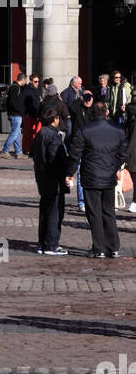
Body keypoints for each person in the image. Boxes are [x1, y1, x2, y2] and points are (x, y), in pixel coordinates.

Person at [67, 101, 127, 258]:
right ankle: (113, 247)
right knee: (109, 212)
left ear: (92, 113)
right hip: (108, 177)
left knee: (94, 213)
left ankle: (99, 248)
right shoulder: (118, 131)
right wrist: (115, 167)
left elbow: (75, 154)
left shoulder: (85, 130)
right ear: (106, 112)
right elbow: (123, 153)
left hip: (91, 177)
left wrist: (69, 172)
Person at [33, 106, 69, 255]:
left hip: (43, 177)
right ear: (54, 120)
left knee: (45, 211)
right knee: (55, 212)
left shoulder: (41, 133)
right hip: (53, 180)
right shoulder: (53, 136)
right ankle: (51, 244)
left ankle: (43, 242)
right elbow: (55, 159)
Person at [0, 73, 27, 158]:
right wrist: (21, 110)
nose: (25, 82)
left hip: (15, 114)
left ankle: (19, 152)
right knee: (14, 133)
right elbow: (13, 102)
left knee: (17, 134)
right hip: (15, 114)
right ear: (22, 79)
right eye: (25, 80)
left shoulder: (15, 87)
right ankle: (5, 150)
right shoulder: (15, 88)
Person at [20, 73, 42, 156]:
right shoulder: (27, 90)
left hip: (35, 114)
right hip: (29, 114)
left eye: (38, 82)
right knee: (27, 133)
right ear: (31, 81)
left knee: (33, 133)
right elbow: (28, 104)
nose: (37, 83)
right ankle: (26, 149)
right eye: (35, 81)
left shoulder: (35, 90)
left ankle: (31, 149)